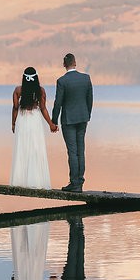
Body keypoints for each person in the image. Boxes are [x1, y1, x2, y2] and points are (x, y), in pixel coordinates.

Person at [50, 53, 93, 192]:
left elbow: (58, 103)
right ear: (75, 63)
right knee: (81, 151)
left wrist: (53, 121)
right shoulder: (86, 78)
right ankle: (79, 182)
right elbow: (90, 99)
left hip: (68, 120)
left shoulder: (62, 81)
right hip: (83, 118)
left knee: (73, 152)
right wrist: (87, 115)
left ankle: (74, 183)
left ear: (64, 65)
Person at [10, 67, 57, 189]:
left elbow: (15, 107)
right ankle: (36, 181)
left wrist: (13, 123)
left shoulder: (18, 90)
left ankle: (19, 181)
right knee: (36, 148)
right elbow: (43, 108)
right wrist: (51, 124)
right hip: (35, 120)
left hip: (22, 119)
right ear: (36, 78)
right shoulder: (40, 90)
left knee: (22, 147)